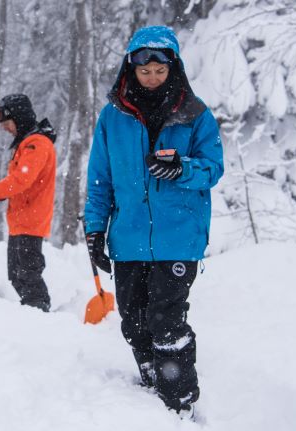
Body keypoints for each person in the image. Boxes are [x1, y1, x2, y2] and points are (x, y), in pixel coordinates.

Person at [84, 26, 224, 418]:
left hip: (179, 238)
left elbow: (213, 169)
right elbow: (101, 179)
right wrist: (94, 230)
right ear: (131, 68)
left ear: (173, 67)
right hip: (128, 238)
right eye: (144, 71)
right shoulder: (113, 117)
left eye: (159, 71)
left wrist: (183, 167)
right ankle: (151, 377)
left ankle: (178, 403)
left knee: (166, 319)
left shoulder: (195, 115)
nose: (152, 78)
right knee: (133, 319)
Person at [0, 94, 57, 312]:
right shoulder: (26, 144)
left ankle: (40, 315)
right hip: (20, 222)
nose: (5, 128)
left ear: (20, 118)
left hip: (31, 222)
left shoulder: (37, 144)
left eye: (7, 123)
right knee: (16, 276)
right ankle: (32, 314)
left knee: (28, 276)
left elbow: (21, 180)